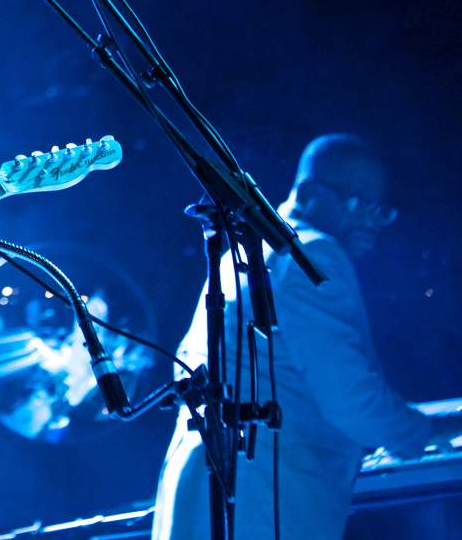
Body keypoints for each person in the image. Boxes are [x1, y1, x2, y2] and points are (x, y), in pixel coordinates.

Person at [151, 134, 462, 540]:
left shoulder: (247, 253)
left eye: (380, 210)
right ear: (310, 193)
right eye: (358, 204)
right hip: (262, 499)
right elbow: (351, 400)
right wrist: (435, 429)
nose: (371, 221)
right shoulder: (309, 254)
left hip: (214, 486)